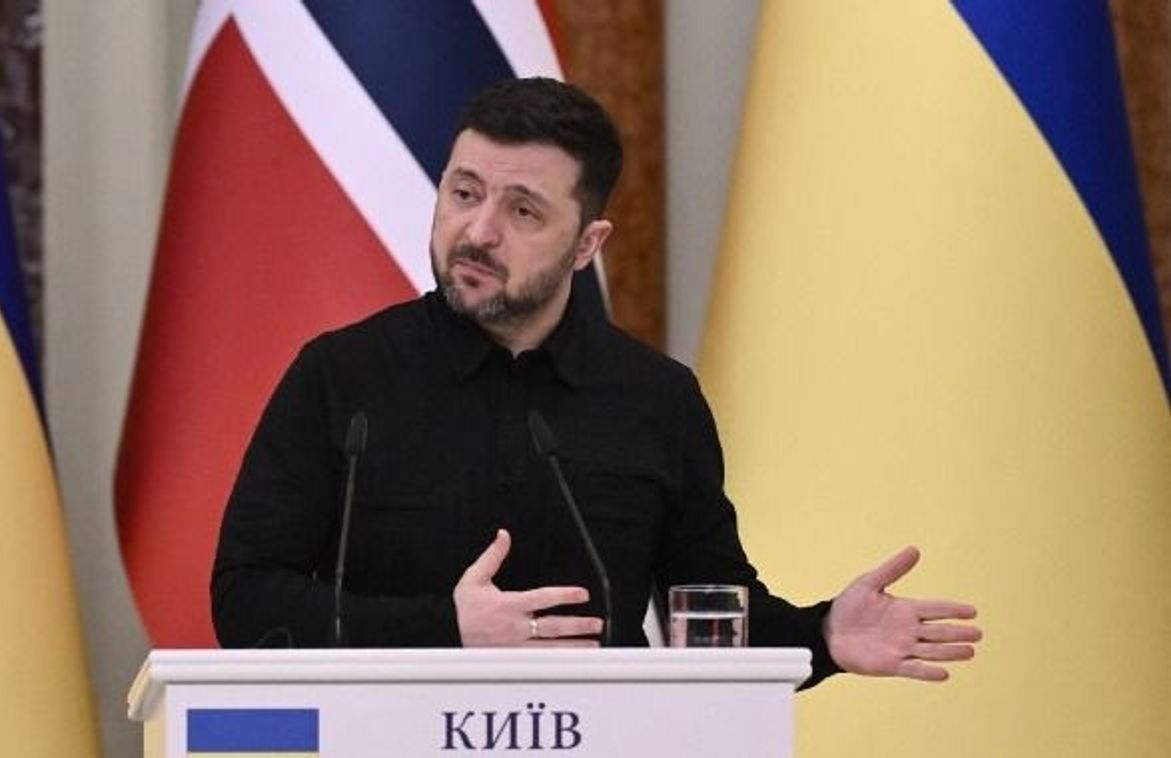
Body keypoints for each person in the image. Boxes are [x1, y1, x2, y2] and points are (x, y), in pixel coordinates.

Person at [211, 77, 980, 687]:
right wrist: (445, 630)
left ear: (587, 245)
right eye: (464, 192)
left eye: (522, 211)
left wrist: (821, 636)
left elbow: (707, 619)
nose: (478, 231)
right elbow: (247, 601)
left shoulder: (655, 401)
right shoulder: (341, 377)